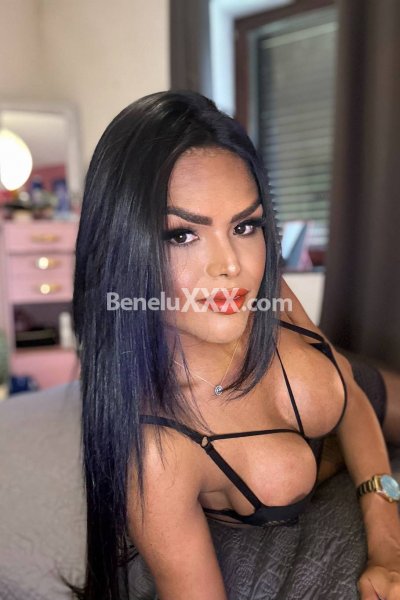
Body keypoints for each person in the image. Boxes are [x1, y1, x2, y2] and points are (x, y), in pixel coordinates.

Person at [70, 90, 400, 600]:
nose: (231, 265)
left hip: (371, 389)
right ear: (121, 247)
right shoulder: (158, 452)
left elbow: (352, 395)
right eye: (182, 235)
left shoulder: (260, 291)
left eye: (245, 226)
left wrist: (385, 536)